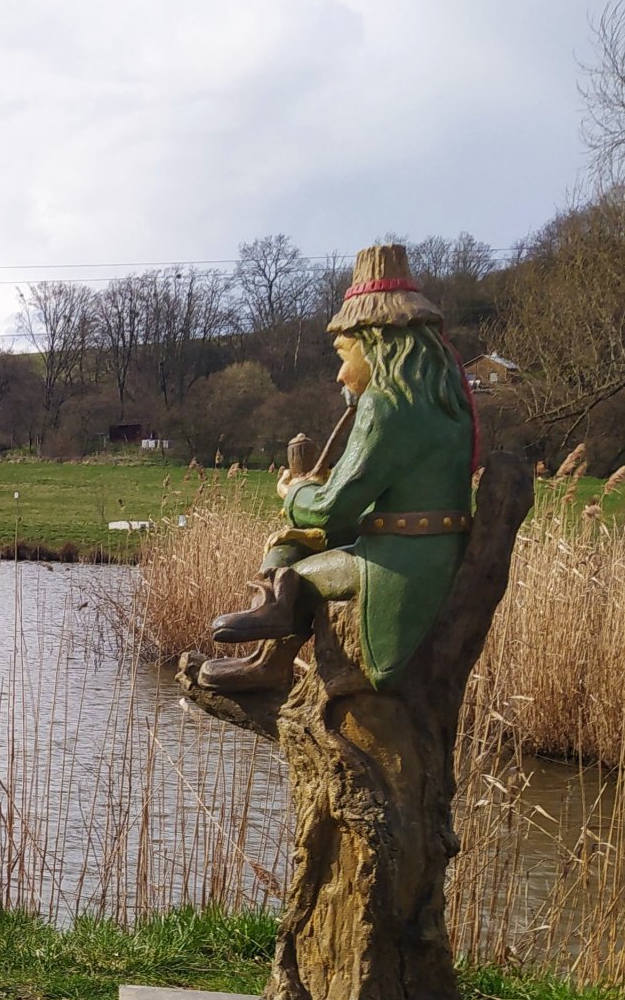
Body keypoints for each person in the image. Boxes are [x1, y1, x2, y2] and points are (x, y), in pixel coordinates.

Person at [193, 244, 476, 695]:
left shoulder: (386, 407)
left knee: (297, 570)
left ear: (377, 342)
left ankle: (272, 643)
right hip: (433, 551)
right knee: (293, 544)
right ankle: (270, 642)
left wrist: (297, 493)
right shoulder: (448, 405)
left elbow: (331, 511)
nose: (340, 375)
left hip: (397, 565)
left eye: (345, 355)